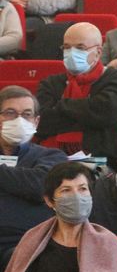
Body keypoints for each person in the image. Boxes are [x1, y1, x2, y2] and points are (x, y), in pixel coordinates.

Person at [36, 22, 117, 160]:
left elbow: (106, 114)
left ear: (98, 52)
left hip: (100, 158)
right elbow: (42, 121)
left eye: (80, 48)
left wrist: (61, 106)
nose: (72, 53)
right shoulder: (50, 83)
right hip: (51, 158)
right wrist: (88, 115)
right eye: (67, 47)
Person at [0, 86, 66, 259]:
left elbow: (39, 186)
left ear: (36, 122)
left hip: (27, 244)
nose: (19, 120)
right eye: (10, 113)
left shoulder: (52, 156)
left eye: (27, 114)